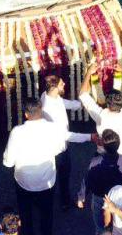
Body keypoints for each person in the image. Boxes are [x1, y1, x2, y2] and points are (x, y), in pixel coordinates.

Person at [3, 96, 66, 235]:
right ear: (41, 110)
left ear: (26, 114)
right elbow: (60, 148)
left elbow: (8, 162)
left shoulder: (16, 132)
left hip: (24, 182)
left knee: (25, 213)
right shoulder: (53, 128)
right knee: (47, 212)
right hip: (46, 181)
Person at [40, 74, 95, 208]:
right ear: (54, 87)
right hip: (57, 149)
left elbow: (67, 104)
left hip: (60, 146)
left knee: (61, 175)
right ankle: (63, 202)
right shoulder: (49, 109)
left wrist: (82, 102)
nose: (64, 84)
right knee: (61, 175)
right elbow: (65, 135)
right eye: (61, 84)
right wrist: (90, 137)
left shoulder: (48, 95)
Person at [79, 63, 122, 157]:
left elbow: (83, 95)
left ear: (107, 103)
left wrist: (89, 72)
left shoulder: (100, 115)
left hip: (104, 153)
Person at [77, 129, 122, 234]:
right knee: (118, 225)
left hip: (99, 198)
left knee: (100, 226)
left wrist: (81, 197)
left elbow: (87, 180)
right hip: (119, 199)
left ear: (103, 146)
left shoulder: (95, 162)